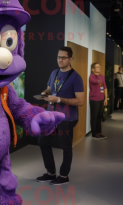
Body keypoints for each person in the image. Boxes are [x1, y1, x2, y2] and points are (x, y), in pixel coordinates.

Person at [36, 46, 84, 185]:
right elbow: (50, 88)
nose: (60, 60)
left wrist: (59, 99)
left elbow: (80, 101)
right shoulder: (54, 73)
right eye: (58, 57)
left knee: (65, 146)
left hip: (67, 118)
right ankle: (51, 172)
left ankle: (64, 175)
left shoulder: (75, 77)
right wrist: (45, 93)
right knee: (43, 141)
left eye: (63, 57)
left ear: (70, 59)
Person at [89, 63, 107, 139]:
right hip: (94, 100)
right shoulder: (91, 77)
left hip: (101, 99)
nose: (99, 68)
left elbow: (105, 87)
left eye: (100, 67)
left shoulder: (102, 76)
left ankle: (99, 132)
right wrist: (99, 78)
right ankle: (94, 133)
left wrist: (106, 98)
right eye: (97, 67)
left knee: (99, 116)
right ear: (93, 69)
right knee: (94, 117)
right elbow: (97, 82)